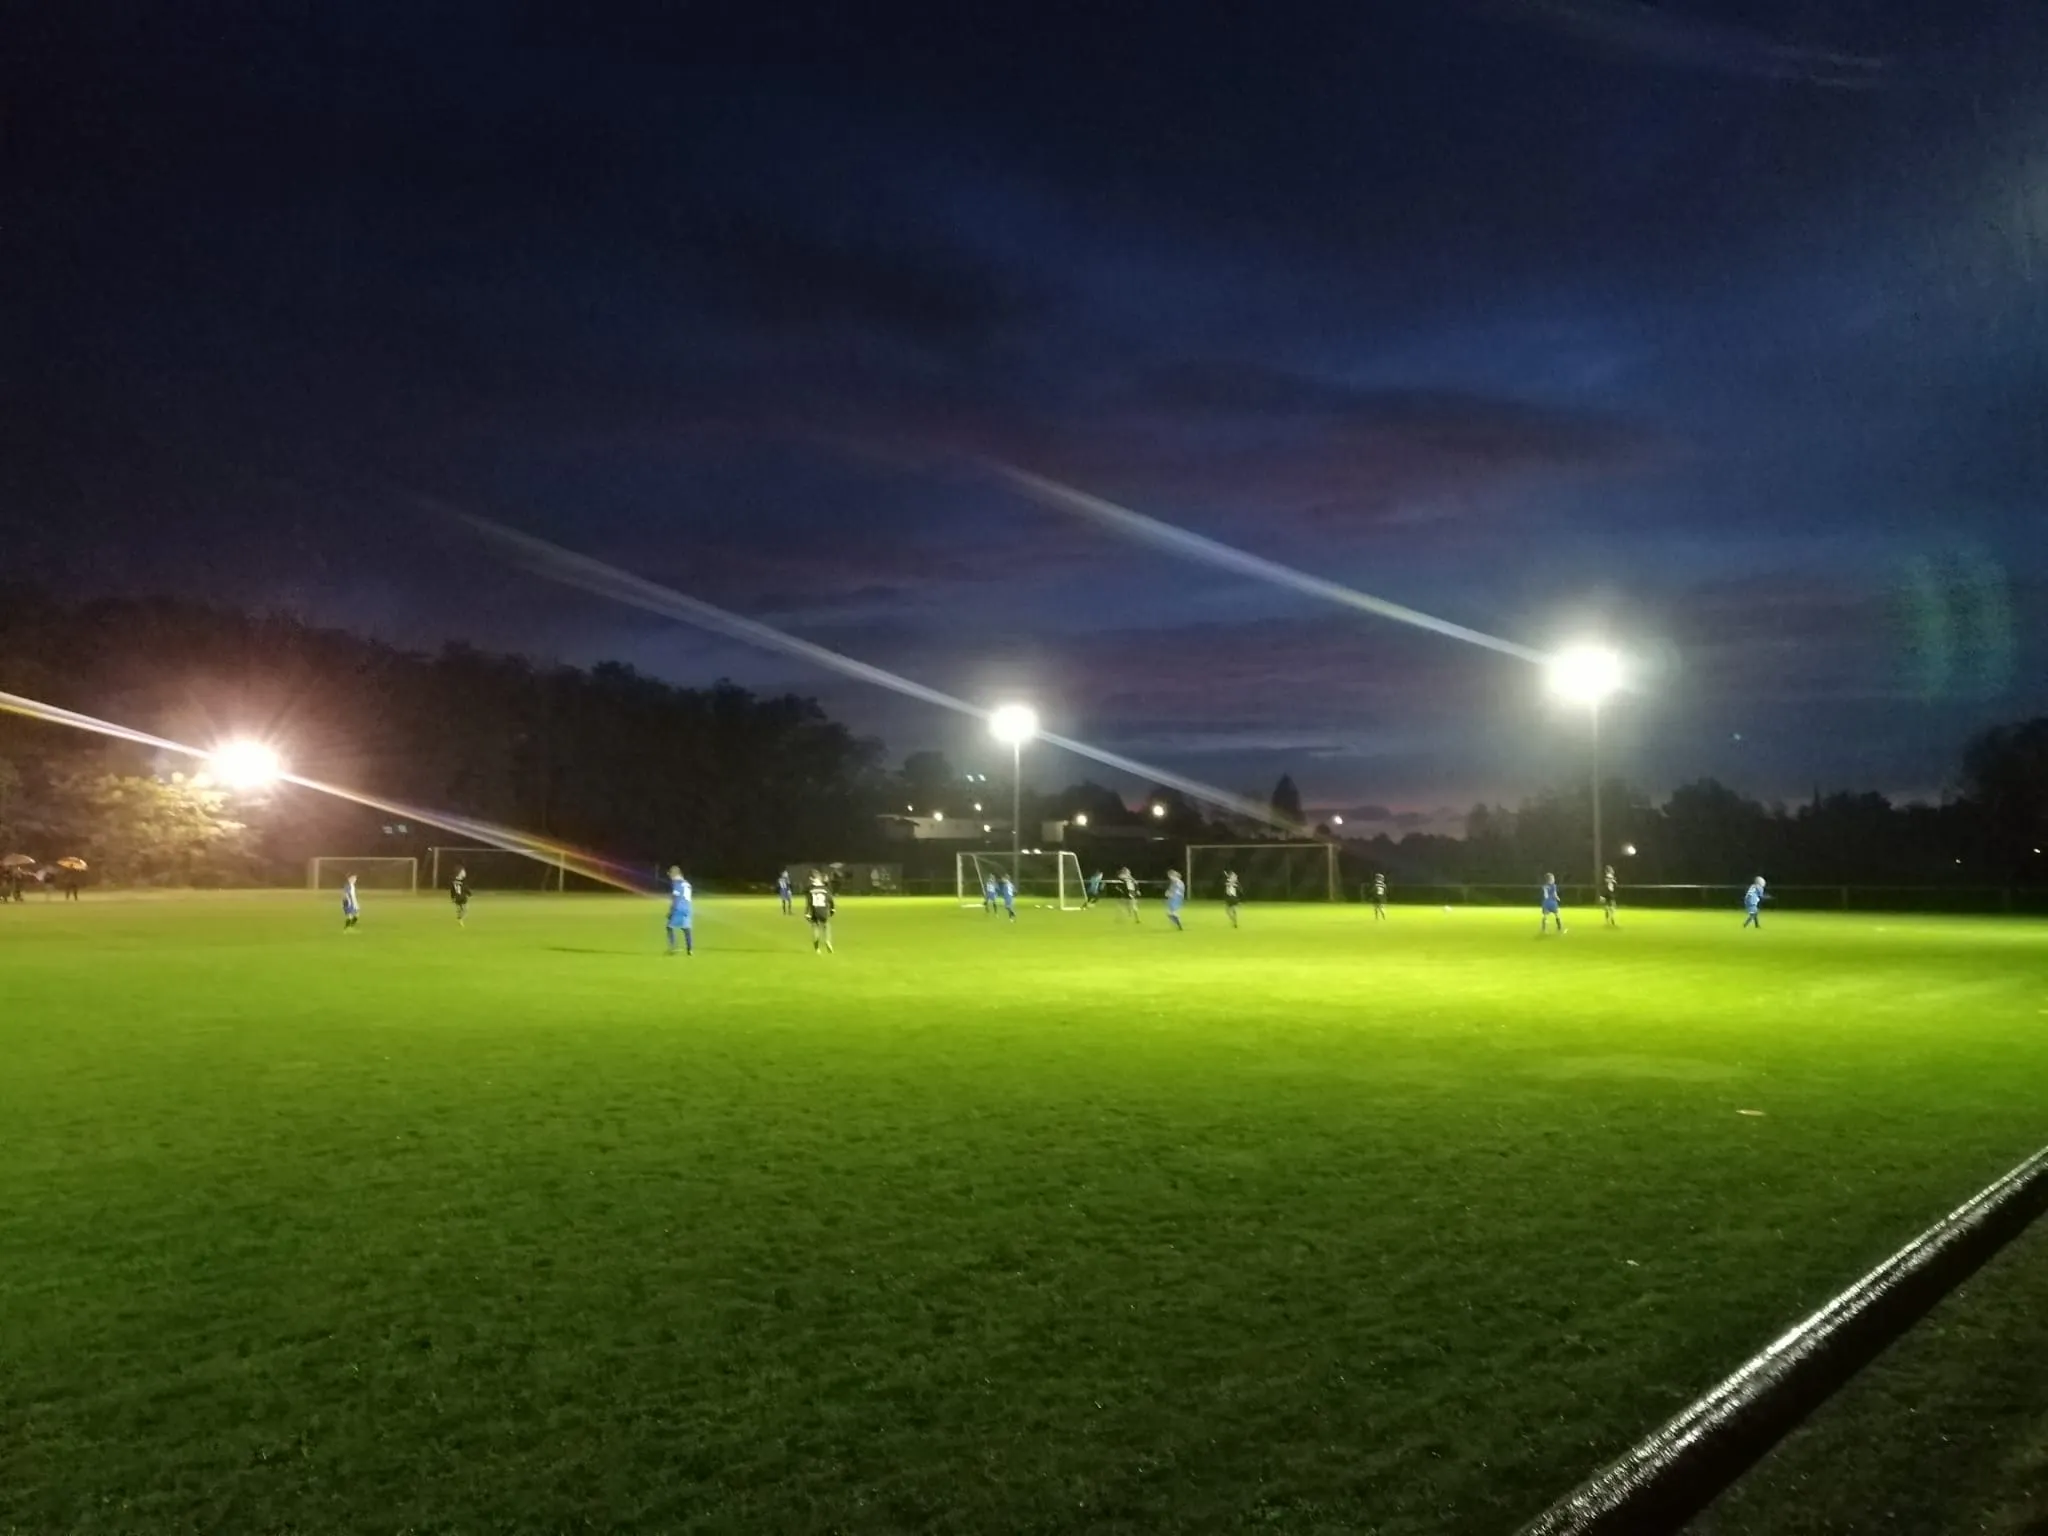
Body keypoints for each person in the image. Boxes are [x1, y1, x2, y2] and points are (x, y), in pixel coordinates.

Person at [665, 866, 694, 955]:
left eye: (670, 875)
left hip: (678, 908)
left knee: (669, 927)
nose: (670, 877)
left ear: (674, 874)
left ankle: (674, 948)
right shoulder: (687, 883)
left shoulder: (677, 884)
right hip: (687, 908)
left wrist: (671, 911)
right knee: (686, 928)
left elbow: (676, 898)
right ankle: (690, 949)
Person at [806, 869, 835, 953]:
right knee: (826, 926)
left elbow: (809, 902)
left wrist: (807, 913)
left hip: (814, 911)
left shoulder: (811, 890)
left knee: (815, 928)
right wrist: (832, 909)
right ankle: (827, 940)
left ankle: (817, 949)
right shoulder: (825, 889)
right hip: (823, 911)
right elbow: (830, 900)